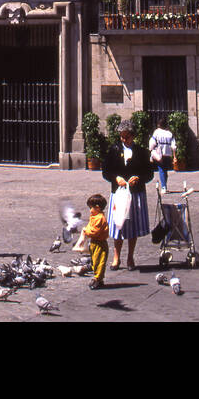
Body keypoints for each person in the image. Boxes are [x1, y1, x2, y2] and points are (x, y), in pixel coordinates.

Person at [101, 119, 153, 270]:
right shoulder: (114, 150)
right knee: (119, 224)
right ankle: (116, 257)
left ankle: (130, 257)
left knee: (132, 225)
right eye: (122, 137)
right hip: (118, 193)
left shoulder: (142, 152)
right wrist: (115, 178)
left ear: (133, 136)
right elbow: (106, 171)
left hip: (135, 194)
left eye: (127, 137)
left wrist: (139, 178)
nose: (124, 140)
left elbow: (149, 173)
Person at [82, 193, 109, 289]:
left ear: (97, 207)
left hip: (100, 244)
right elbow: (90, 226)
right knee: (94, 261)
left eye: (91, 208)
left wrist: (86, 231)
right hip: (94, 243)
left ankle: (97, 278)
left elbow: (94, 232)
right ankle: (99, 279)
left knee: (99, 262)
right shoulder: (94, 216)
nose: (90, 210)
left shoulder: (100, 218)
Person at [149, 117, 175, 189]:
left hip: (159, 153)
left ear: (159, 125)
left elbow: (152, 143)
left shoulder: (156, 132)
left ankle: (164, 186)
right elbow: (173, 146)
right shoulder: (170, 133)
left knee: (161, 169)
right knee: (165, 170)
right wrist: (174, 155)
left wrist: (151, 150)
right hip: (168, 153)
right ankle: (164, 184)